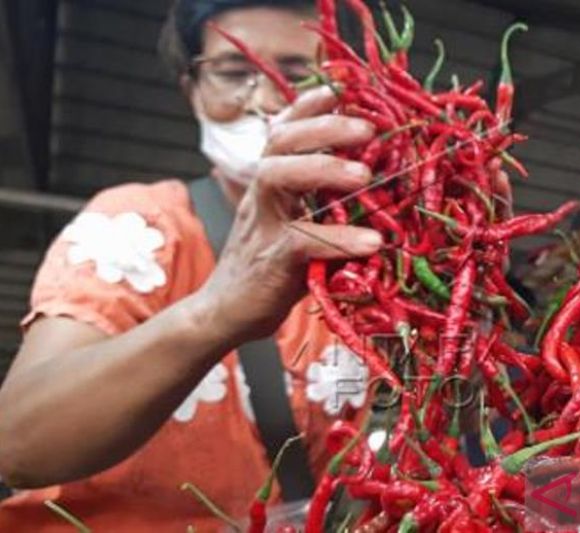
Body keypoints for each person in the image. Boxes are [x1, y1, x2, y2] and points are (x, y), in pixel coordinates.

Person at [0, 0, 387, 530]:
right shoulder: (140, 223)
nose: (266, 98)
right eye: (233, 73)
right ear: (193, 90)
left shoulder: (374, 255)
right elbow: (18, 442)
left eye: (297, 74)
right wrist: (215, 310)